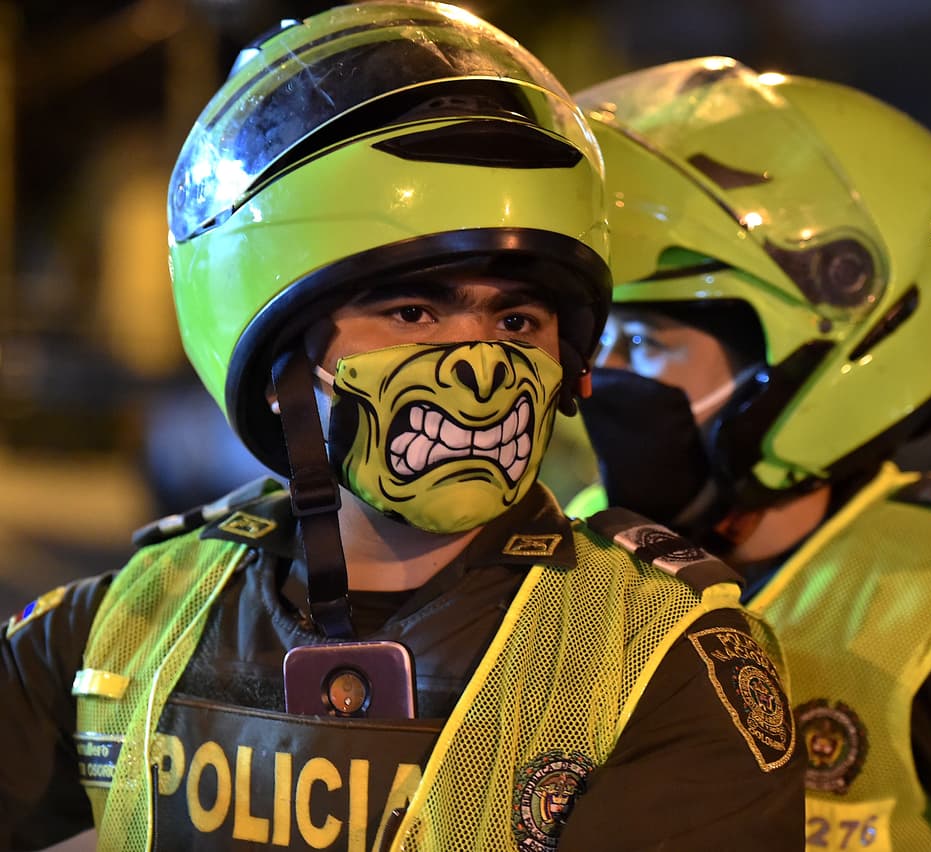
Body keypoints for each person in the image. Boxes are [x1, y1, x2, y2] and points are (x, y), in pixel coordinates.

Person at [0, 11, 804, 851]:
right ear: (274, 352)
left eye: (518, 321)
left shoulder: (658, 660)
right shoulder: (136, 620)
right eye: (413, 312)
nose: (480, 365)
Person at [570, 58, 931, 850]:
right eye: (601, 340)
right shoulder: (573, 560)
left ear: (821, 353)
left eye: (645, 341)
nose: (606, 379)